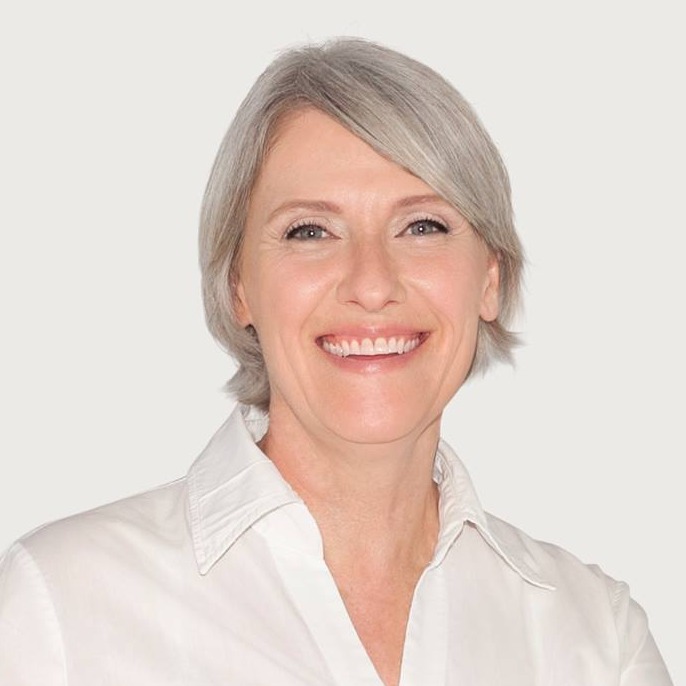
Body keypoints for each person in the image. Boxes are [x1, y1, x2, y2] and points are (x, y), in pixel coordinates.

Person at [0, 37, 672, 686]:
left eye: (423, 226)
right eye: (310, 231)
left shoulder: (594, 633)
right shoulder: (61, 606)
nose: (372, 284)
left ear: (489, 279)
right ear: (239, 286)